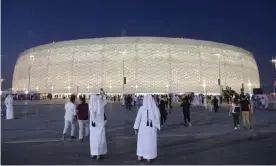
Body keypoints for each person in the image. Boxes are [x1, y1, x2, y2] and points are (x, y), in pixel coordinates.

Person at [133, 94, 161, 163]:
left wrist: (135, 128)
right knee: (150, 143)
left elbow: (138, 119)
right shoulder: (154, 109)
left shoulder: (142, 108)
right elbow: (158, 116)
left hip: (143, 129)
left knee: (141, 142)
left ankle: (140, 156)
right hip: (151, 129)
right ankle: (149, 157)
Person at [89, 94, 107, 160]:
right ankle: (99, 154)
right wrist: (103, 96)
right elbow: (105, 102)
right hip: (101, 125)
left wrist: (93, 121)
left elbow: (92, 115)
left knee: (93, 140)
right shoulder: (101, 105)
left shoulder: (91, 106)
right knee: (100, 139)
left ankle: (94, 153)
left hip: (94, 126)